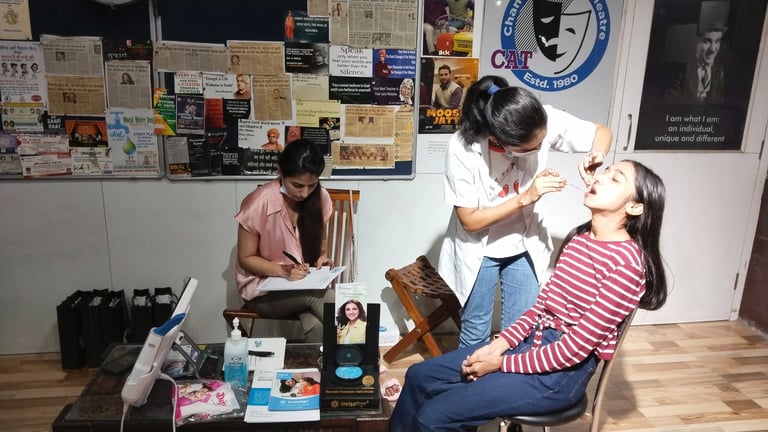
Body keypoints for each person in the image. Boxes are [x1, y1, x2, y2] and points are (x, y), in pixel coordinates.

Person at [392, 159, 668, 431]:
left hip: (559, 376)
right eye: (604, 171)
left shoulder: (627, 266)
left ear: (634, 207)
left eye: (615, 178)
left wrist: (500, 363)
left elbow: (574, 349)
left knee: (433, 416)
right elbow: (540, 308)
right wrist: (499, 344)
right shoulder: (580, 239)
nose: (600, 178)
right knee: (419, 375)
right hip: (529, 344)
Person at [439, 75, 612, 349]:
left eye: (543, 140)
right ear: (497, 140)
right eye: (532, 148)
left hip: (523, 243)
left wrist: (597, 155)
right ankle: (472, 377)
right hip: (478, 248)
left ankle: (509, 377)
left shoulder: (541, 119)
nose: (542, 147)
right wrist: (526, 197)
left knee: (520, 334)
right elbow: (470, 221)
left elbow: (602, 132)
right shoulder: (463, 148)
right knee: (475, 336)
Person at [235, 139, 335, 342]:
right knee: (317, 296)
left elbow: (321, 239)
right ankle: (366, 352)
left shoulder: (320, 197)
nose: (304, 193)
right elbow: (245, 258)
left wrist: (322, 256)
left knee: (315, 324)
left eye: (312, 185)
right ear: (280, 172)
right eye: (297, 185)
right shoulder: (259, 202)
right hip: (263, 290)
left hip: (302, 283)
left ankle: (324, 361)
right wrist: (283, 271)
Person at [666, 22, 726, 103]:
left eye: (717, 41)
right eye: (707, 41)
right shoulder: (681, 70)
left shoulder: (719, 72)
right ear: (695, 42)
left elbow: (718, 105)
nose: (713, 49)